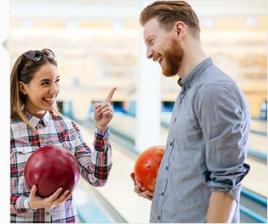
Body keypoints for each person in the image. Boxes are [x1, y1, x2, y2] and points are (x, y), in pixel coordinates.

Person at [131, 1, 250, 223]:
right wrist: (164, 195)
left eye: (151, 41)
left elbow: (226, 182)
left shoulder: (214, 90)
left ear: (179, 30)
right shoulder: (188, 90)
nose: (148, 53)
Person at [10, 48, 116, 223]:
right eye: (45, 83)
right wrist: (29, 203)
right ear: (23, 87)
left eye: (56, 81)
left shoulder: (66, 127)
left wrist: (101, 130)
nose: (54, 90)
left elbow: (97, 178)